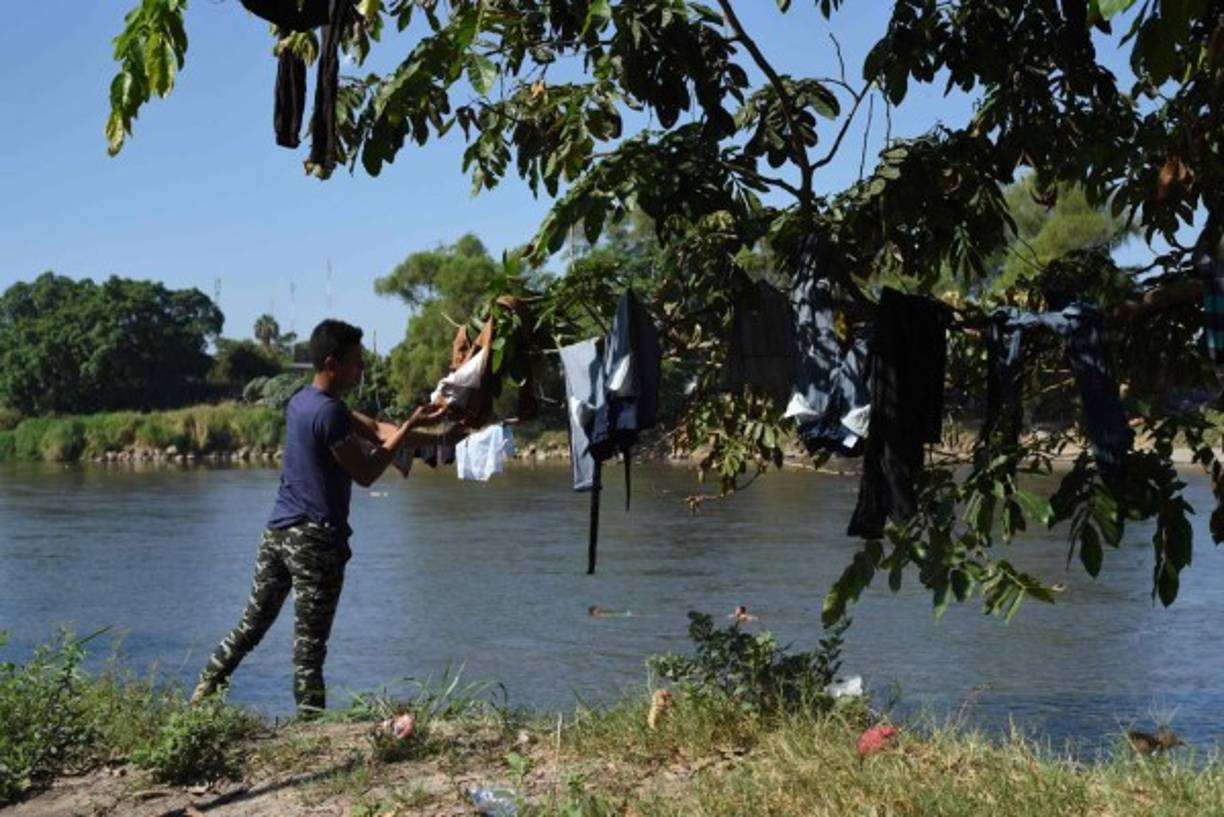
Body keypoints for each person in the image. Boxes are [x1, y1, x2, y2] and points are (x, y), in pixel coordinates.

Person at [191, 319, 448, 715]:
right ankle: (312, 733)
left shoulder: (303, 402)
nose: (361, 370)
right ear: (332, 363)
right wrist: (411, 426)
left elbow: (380, 431)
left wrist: (443, 437)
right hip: (314, 540)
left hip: (276, 534)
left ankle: (199, 697)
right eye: (356, 362)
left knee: (250, 626)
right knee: (309, 651)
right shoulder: (330, 415)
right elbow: (365, 472)